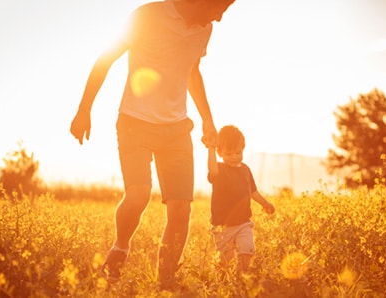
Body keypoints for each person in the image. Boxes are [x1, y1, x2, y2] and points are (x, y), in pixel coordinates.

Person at [69, 0, 236, 288]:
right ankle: (121, 247)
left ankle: (165, 283)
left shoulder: (204, 29)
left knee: (181, 211)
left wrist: (208, 120)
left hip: (176, 129)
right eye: (219, 8)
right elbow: (106, 58)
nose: (220, 18)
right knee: (137, 196)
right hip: (135, 122)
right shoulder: (147, 16)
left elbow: (192, 70)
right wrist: (84, 110)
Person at [207, 125, 276, 274]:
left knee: (247, 251)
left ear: (243, 149)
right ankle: (221, 280)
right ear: (220, 152)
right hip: (223, 226)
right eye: (229, 153)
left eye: (238, 152)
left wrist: (265, 203)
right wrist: (211, 148)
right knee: (225, 261)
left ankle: (242, 277)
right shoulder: (219, 169)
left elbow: (253, 191)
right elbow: (212, 170)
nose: (234, 156)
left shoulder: (245, 169)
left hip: (244, 223)